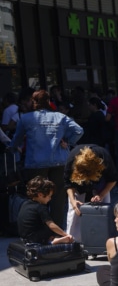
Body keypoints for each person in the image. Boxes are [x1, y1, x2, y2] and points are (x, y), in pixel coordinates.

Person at [10, 89, 84, 229]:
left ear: (34, 102)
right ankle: (56, 229)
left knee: (37, 196)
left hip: (36, 162)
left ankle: (38, 227)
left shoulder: (26, 118)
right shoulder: (60, 117)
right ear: (49, 101)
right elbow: (79, 130)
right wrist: (68, 141)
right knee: (58, 197)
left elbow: (17, 139)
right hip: (59, 160)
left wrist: (13, 148)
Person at [64, 144, 118, 240]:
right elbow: (68, 184)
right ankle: (73, 241)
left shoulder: (104, 156)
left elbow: (112, 180)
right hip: (78, 185)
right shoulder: (72, 158)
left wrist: (101, 195)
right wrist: (72, 200)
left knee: (103, 211)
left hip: (100, 183)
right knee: (75, 212)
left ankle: (102, 240)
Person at [17, 176, 74, 244]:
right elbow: (51, 225)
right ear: (40, 195)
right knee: (52, 228)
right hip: (35, 239)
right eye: (49, 196)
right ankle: (53, 241)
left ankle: (51, 239)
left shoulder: (25, 203)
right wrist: (65, 234)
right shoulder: (40, 207)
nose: (50, 199)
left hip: (25, 237)